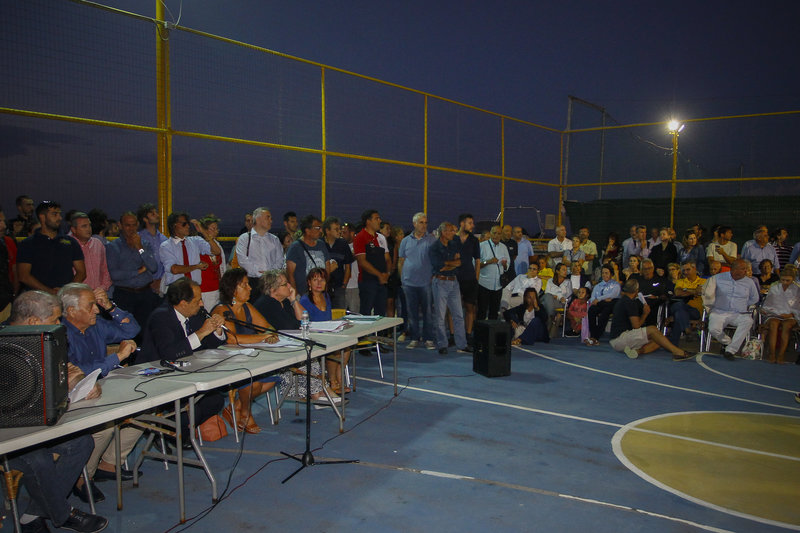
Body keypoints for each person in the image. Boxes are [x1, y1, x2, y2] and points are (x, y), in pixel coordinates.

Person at [58, 283, 144, 486]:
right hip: (75, 395)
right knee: (103, 427)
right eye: (91, 305)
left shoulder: (95, 325)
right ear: (72, 311)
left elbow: (132, 329)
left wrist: (110, 307)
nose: (96, 310)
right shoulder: (61, 335)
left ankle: (108, 464)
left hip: (104, 386)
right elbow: (77, 373)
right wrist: (117, 357)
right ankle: (82, 477)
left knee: (143, 409)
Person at [139, 278, 226, 433]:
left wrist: (217, 330)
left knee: (215, 401)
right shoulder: (160, 317)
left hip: (187, 373)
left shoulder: (195, 314)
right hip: (157, 377)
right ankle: (169, 435)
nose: (202, 304)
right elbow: (170, 354)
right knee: (190, 413)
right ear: (183, 303)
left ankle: (183, 433)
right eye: (198, 301)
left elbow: (209, 344)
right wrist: (201, 333)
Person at [213, 268, 279, 434]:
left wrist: (270, 334)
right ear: (232, 289)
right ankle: (245, 411)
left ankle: (236, 406)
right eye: (245, 285)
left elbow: (267, 327)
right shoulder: (222, 310)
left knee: (275, 378)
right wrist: (263, 337)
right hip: (228, 361)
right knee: (254, 383)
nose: (250, 288)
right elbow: (232, 340)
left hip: (250, 358)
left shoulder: (248, 307)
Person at [105, 212, 162, 337]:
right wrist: (138, 272)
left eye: (134, 225)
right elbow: (114, 275)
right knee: (125, 332)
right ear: (120, 225)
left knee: (146, 332)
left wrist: (140, 248)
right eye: (127, 225)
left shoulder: (144, 244)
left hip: (145, 293)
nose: (131, 229)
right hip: (124, 294)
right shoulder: (113, 247)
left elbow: (153, 267)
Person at [609, 278, 694, 360]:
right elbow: (636, 326)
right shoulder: (630, 303)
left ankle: (637, 351)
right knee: (653, 329)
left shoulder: (622, 301)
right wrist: (645, 314)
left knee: (659, 340)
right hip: (621, 339)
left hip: (617, 340)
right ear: (636, 290)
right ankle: (678, 352)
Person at [299, 268, 351, 394]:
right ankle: (332, 381)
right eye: (315, 280)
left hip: (328, 333)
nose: (319, 283)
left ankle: (339, 379)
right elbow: (304, 324)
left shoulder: (326, 296)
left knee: (347, 347)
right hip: (313, 336)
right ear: (309, 282)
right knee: (335, 349)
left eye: (322, 280)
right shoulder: (305, 301)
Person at [17, 201, 86, 294]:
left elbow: (81, 272)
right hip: (37, 298)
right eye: (54, 214)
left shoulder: (71, 242)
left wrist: (65, 291)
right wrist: (50, 292)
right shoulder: (27, 244)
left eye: (59, 214)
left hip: (65, 297)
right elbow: (24, 276)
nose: (59, 218)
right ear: (42, 217)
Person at [702, 259, 760, 360]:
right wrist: (709, 307)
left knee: (748, 321)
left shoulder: (749, 282)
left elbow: (755, 298)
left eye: (745, 269)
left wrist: (743, 305)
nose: (744, 271)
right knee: (713, 329)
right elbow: (707, 294)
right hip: (719, 311)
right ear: (733, 269)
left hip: (738, 313)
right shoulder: (717, 278)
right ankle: (728, 342)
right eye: (742, 269)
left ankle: (730, 350)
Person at [429, 221, 471, 355]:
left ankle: (462, 344)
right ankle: (442, 344)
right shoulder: (434, 247)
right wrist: (452, 263)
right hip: (440, 282)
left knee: (458, 315)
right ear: (444, 232)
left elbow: (460, 262)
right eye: (451, 231)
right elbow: (439, 266)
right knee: (440, 316)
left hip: (453, 282)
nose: (453, 233)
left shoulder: (454, 244)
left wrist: (449, 264)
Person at [397, 212, 436, 349]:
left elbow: (436, 260)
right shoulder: (405, 241)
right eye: (421, 222)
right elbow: (401, 261)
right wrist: (402, 279)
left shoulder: (432, 240)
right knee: (412, 312)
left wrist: (432, 276)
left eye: (426, 222)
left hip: (426, 283)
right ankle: (414, 338)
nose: (424, 225)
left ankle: (428, 339)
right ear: (414, 224)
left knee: (428, 313)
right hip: (409, 283)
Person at [159, 211, 221, 287]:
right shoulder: (166, 246)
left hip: (194, 288)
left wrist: (203, 232)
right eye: (184, 224)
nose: (188, 226)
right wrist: (196, 266)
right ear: (174, 225)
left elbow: (216, 251)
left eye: (188, 223)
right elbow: (174, 269)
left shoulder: (195, 241)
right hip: (177, 289)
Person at [235, 207, 285, 296]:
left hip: (272, 283)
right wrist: (260, 274)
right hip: (252, 282)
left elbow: (280, 260)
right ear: (257, 219)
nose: (271, 221)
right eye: (268, 217)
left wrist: (269, 274)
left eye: (271, 218)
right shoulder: (244, 239)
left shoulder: (275, 240)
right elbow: (243, 261)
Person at [286, 215, 334, 296]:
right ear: (307, 230)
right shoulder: (295, 247)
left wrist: (324, 286)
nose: (321, 230)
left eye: (321, 228)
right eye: (318, 228)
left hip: (320, 293)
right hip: (303, 294)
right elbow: (290, 274)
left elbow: (327, 266)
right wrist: (295, 295)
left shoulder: (321, 245)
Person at [354, 209, 390, 315]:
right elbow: (362, 261)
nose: (380, 221)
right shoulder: (360, 237)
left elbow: (387, 259)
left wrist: (387, 274)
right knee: (366, 313)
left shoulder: (381, 237)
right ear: (368, 221)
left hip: (382, 282)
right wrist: (379, 275)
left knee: (381, 314)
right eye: (376, 218)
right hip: (367, 282)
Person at [760, 264, 800, 363]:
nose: (785, 282)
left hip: (790, 315)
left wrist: (791, 315)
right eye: (783, 280)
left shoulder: (797, 289)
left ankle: (781, 354)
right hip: (774, 314)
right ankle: (772, 353)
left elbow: (797, 307)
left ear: (793, 280)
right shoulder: (774, 288)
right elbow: (767, 305)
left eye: (788, 280)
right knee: (773, 324)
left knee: (787, 326)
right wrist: (769, 311)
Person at [68, 212, 111, 292]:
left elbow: (105, 269)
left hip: (98, 293)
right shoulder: (67, 245)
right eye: (84, 226)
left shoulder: (98, 244)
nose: (88, 229)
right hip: (76, 294)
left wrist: (103, 287)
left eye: (89, 225)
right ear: (73, 229)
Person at [668, 261, 705, 345]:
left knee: (678, 313)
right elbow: (678, 293)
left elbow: (701, 292)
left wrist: (685, 290)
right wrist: (694, 291)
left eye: (688, 269)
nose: (685, 272)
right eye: (684, 270)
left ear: (695, 269)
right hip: (680, 306)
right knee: (679, 307)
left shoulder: (703, 281)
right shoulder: (680, 281)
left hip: (695, 311)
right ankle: (687, 330)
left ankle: (674, 343)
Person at [477, 225, 510, 320]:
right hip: (484, 284)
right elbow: (476, 264)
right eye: (494, 233)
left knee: (494, 312)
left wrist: (504, 265)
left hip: (498, 285)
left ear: (501, 235)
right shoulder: (482, 246)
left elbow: (507, 266)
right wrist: (488, 262)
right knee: (482, 311)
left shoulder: (503, 247)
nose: (496, 235)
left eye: (499, 233)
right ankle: (480, 329)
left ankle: (492, 329)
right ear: (490, 233)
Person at [584, 264, 621, 346]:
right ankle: (593, 335)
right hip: (600, 304)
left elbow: (613, 295)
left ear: (611, 274)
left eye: (606, 273)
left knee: (605, 312)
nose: (604, 275)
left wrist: (599, 299)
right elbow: (593, 298)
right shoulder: (598, 286)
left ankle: (595, 337)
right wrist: (601, 299)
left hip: (611, 305)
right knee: (591, 310)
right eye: (603, 273)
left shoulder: (616, 285)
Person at [322, 216, 353, 309]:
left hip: (339, 287)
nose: (339, 231)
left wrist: (344, 284)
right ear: (327, 231)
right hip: (322, 286)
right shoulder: (319, 244)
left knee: (339, 312)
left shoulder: (343, 244)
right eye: (336, 229)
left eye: (339, 229)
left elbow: (348, 266)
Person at [196, 214, 226, 309]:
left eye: (217, 229)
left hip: (216, 287)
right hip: (204, 288)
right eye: (213, 229)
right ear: (204, 230)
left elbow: (222, 267)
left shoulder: (217, 245)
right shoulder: (197, 245)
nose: (216, 231)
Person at [136, 203, 167, 291]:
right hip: (143, 285)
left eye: (156, 212)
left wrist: (161, 280)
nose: (157, 215)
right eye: (152, 213)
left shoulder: (164, 239)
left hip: (162, 285)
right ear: (145, 219)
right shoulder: (138, 238)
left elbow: (167, 262)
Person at [0, 206, 17, 320]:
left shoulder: (6, 244)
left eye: (3, 221)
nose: (4, 226)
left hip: (5, 302)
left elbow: (14, 271)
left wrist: (13, 294)